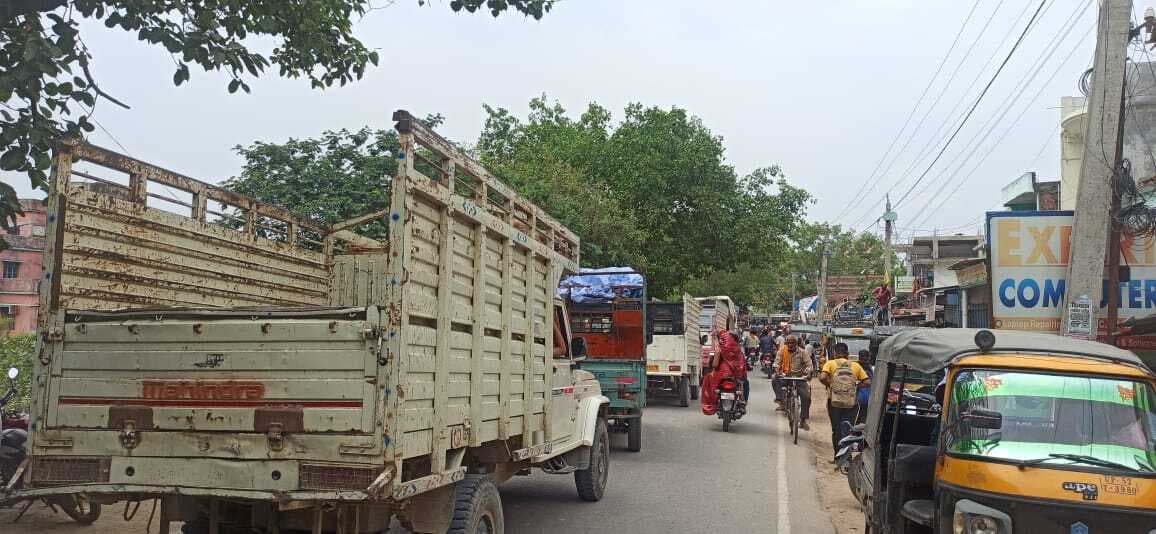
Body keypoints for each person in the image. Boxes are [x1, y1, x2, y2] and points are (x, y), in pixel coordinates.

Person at [821, 343, 870, 453]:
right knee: (848, 429)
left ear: (834, 353)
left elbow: (823, 377)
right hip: (851, 403)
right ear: (847, 353)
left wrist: (831, 385)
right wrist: (855, 387)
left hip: (834, 403)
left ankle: (837, 456)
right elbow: (867, 382)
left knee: (836, 430)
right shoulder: (856, 366)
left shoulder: (830, 363)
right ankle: (847, 456)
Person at [773, 335, 813, 430]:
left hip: (799, 378)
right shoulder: (782, 350)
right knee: (774, 379)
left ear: (797, 344)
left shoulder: (803, 352)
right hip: (785, 376)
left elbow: (809, 364)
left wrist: (808, 371)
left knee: (806, 397)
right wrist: (777, 369)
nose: (790, 345)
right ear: (786, 343)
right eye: (789, 343)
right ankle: (781, 401)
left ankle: (803, 420)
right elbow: (777, 362)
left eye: (793, 343)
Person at [854, 349, 874, 424]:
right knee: (861, 419)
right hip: (862, 398)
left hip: (863, 398)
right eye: (868, 357)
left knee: (860, 419)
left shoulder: (867, 367)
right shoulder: (864, 368)